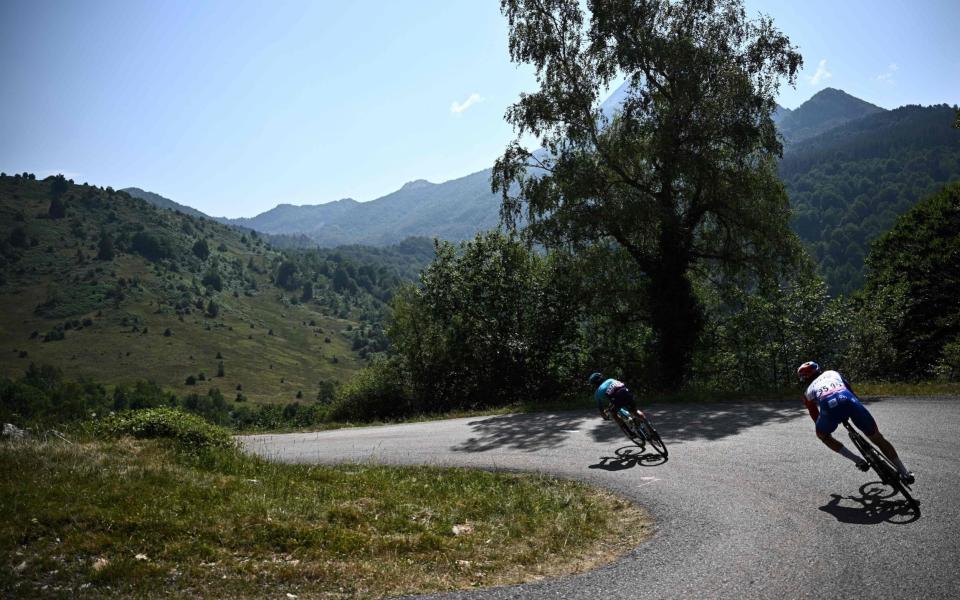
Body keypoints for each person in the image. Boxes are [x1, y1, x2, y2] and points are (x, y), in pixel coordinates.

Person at [797, 361, 914, 484]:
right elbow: (849, 389)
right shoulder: (832, 373)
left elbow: (813, 412)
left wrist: (824, 430)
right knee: (877, 437)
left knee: (822, 435)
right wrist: (855, 409)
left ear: (805, 378)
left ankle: (858, 461)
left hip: (828, 408)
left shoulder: (807, 392)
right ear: (818, 369)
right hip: (849, 401)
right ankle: (905, 473)